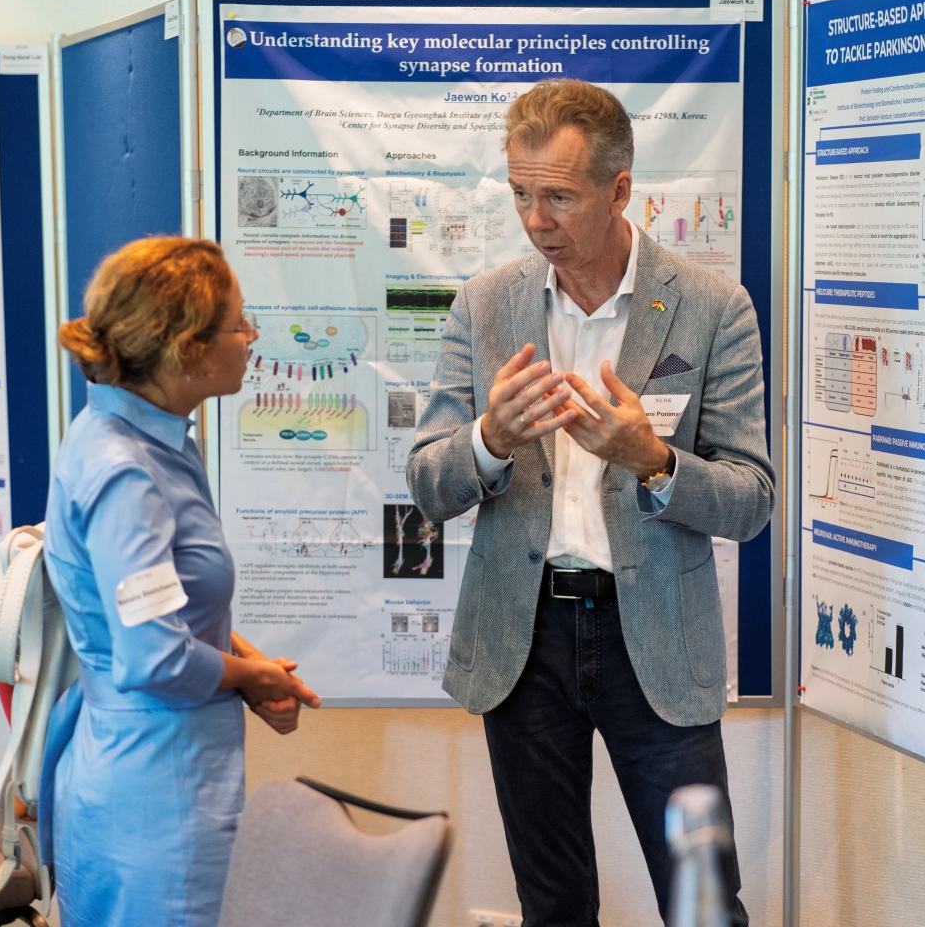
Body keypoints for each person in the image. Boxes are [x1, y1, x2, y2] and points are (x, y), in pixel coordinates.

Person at [407, 79, 774, 927]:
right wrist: (489, 440)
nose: (536, 221)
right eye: (520, 194)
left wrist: (653, 459)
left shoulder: (712, 308)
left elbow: (751, 501)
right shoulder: (484, 305)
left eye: (560, 197)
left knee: (704, 904)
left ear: (619, 190)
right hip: (523, 638)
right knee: (554, 908)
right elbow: (428, 484)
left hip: (656, 640)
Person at [42, 236, 321, 926]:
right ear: (187, 350)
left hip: (158, 766)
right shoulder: (127, 473)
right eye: (238, 324)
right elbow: (154, 657)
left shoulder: (143, 437)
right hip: (155, 788)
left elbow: (166, 611)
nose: (251, 337)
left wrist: (245, 665)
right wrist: (251, 676)